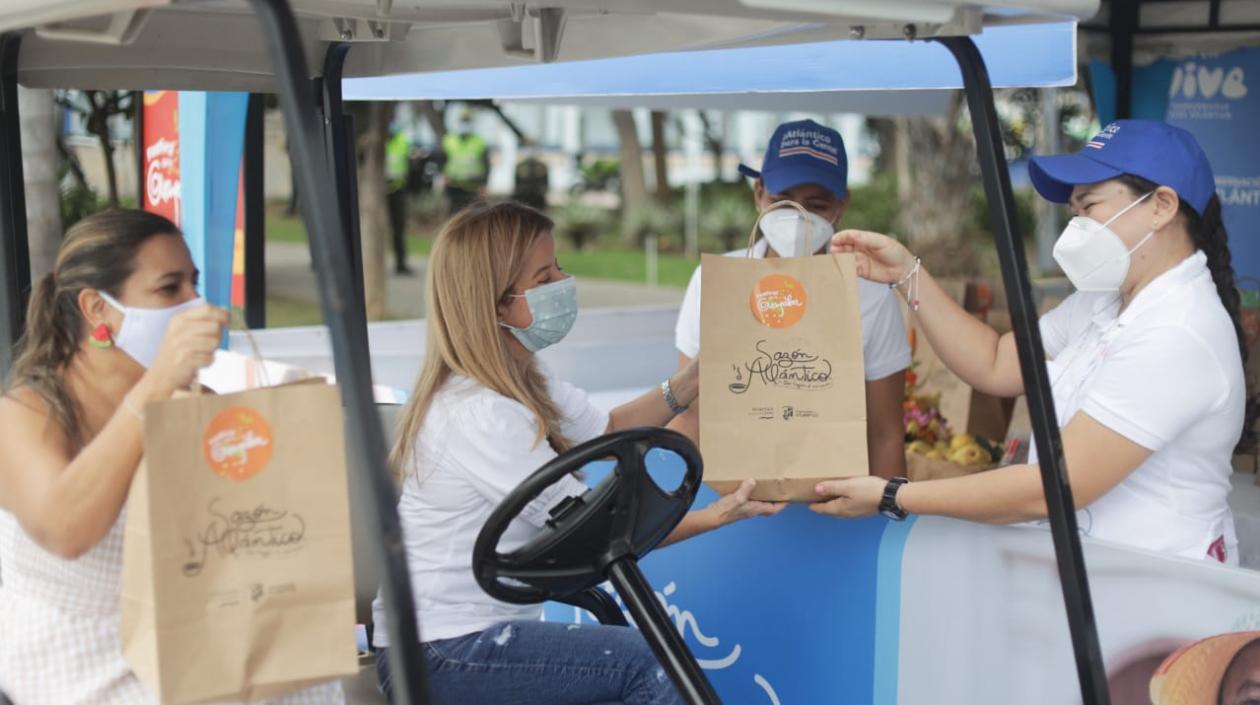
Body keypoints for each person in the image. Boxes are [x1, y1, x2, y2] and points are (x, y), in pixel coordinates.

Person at [372, 202, 784, 705]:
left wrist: (692, 380)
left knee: (635, 655)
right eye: (546, 276)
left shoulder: (523, 380)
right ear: (499, 304)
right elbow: (590, 533)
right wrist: (715, 515)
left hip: (471, 636)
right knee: (650, 662)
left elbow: (607, 430)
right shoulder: (479, 412)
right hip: (439, 652)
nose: (564, 281)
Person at [813, 120, 1250, 565]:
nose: (1077, 226)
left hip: (1161, 596)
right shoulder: (1105, 303)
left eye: (1089, 206)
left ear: (1161, 206)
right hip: (1096, 584)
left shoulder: (1178, 330)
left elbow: (1057, 486)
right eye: (1074, 212)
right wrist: (908, 274)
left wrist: (894, 494)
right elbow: (996, 362)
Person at [0, 210, 344, 704]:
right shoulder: (28, 410)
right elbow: (65, 530)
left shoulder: (193, 399)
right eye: (169, 289)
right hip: (85, 662)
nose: (195, 304)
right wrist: (156, 386)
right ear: (97, 309)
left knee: (306, 685)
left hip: (188, 637)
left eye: (194, 284)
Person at [673, 119, 911, 479]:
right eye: (781, 201)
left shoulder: (870, 294)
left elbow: (886, 434)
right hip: (728, 499)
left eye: (816, 204)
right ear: (758, 193)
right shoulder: (712, 282)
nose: (798, 216)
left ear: (841, 205)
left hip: (834, 500)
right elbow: (689, 412)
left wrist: (887, 519)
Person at [441, 110, 490, 214]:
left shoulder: (479, 142)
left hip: (473, 186)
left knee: (472, 215)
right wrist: (444, 177)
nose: (465, 124)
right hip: (453, 185)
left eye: (468, 121)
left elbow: (486, 164)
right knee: (453, 216)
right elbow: (442, 160)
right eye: (463, 121)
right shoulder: (449, 140)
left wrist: (484, 184)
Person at [386, 123, 416, 275]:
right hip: (378, 193)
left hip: (398, 190)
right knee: (374, 229)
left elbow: (411, 165)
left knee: (398, 229)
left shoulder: (403, 141)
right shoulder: (374, 141)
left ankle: (400, 263)